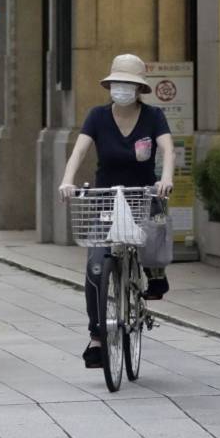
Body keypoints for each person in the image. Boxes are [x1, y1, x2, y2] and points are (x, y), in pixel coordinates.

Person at [56, 54, 174, 370]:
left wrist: (166, 178)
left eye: (129, 84)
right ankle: (97, 336)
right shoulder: (97, 116)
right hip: (106, 201)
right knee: (96, 265)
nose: (122, 89)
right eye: (117, 83)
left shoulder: (153, 117)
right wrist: (67, 181)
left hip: (141, 197)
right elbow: (79, 150)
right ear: (110, 86)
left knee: (155, 231)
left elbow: (168, 149)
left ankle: (155, 274)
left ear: (138, 89)